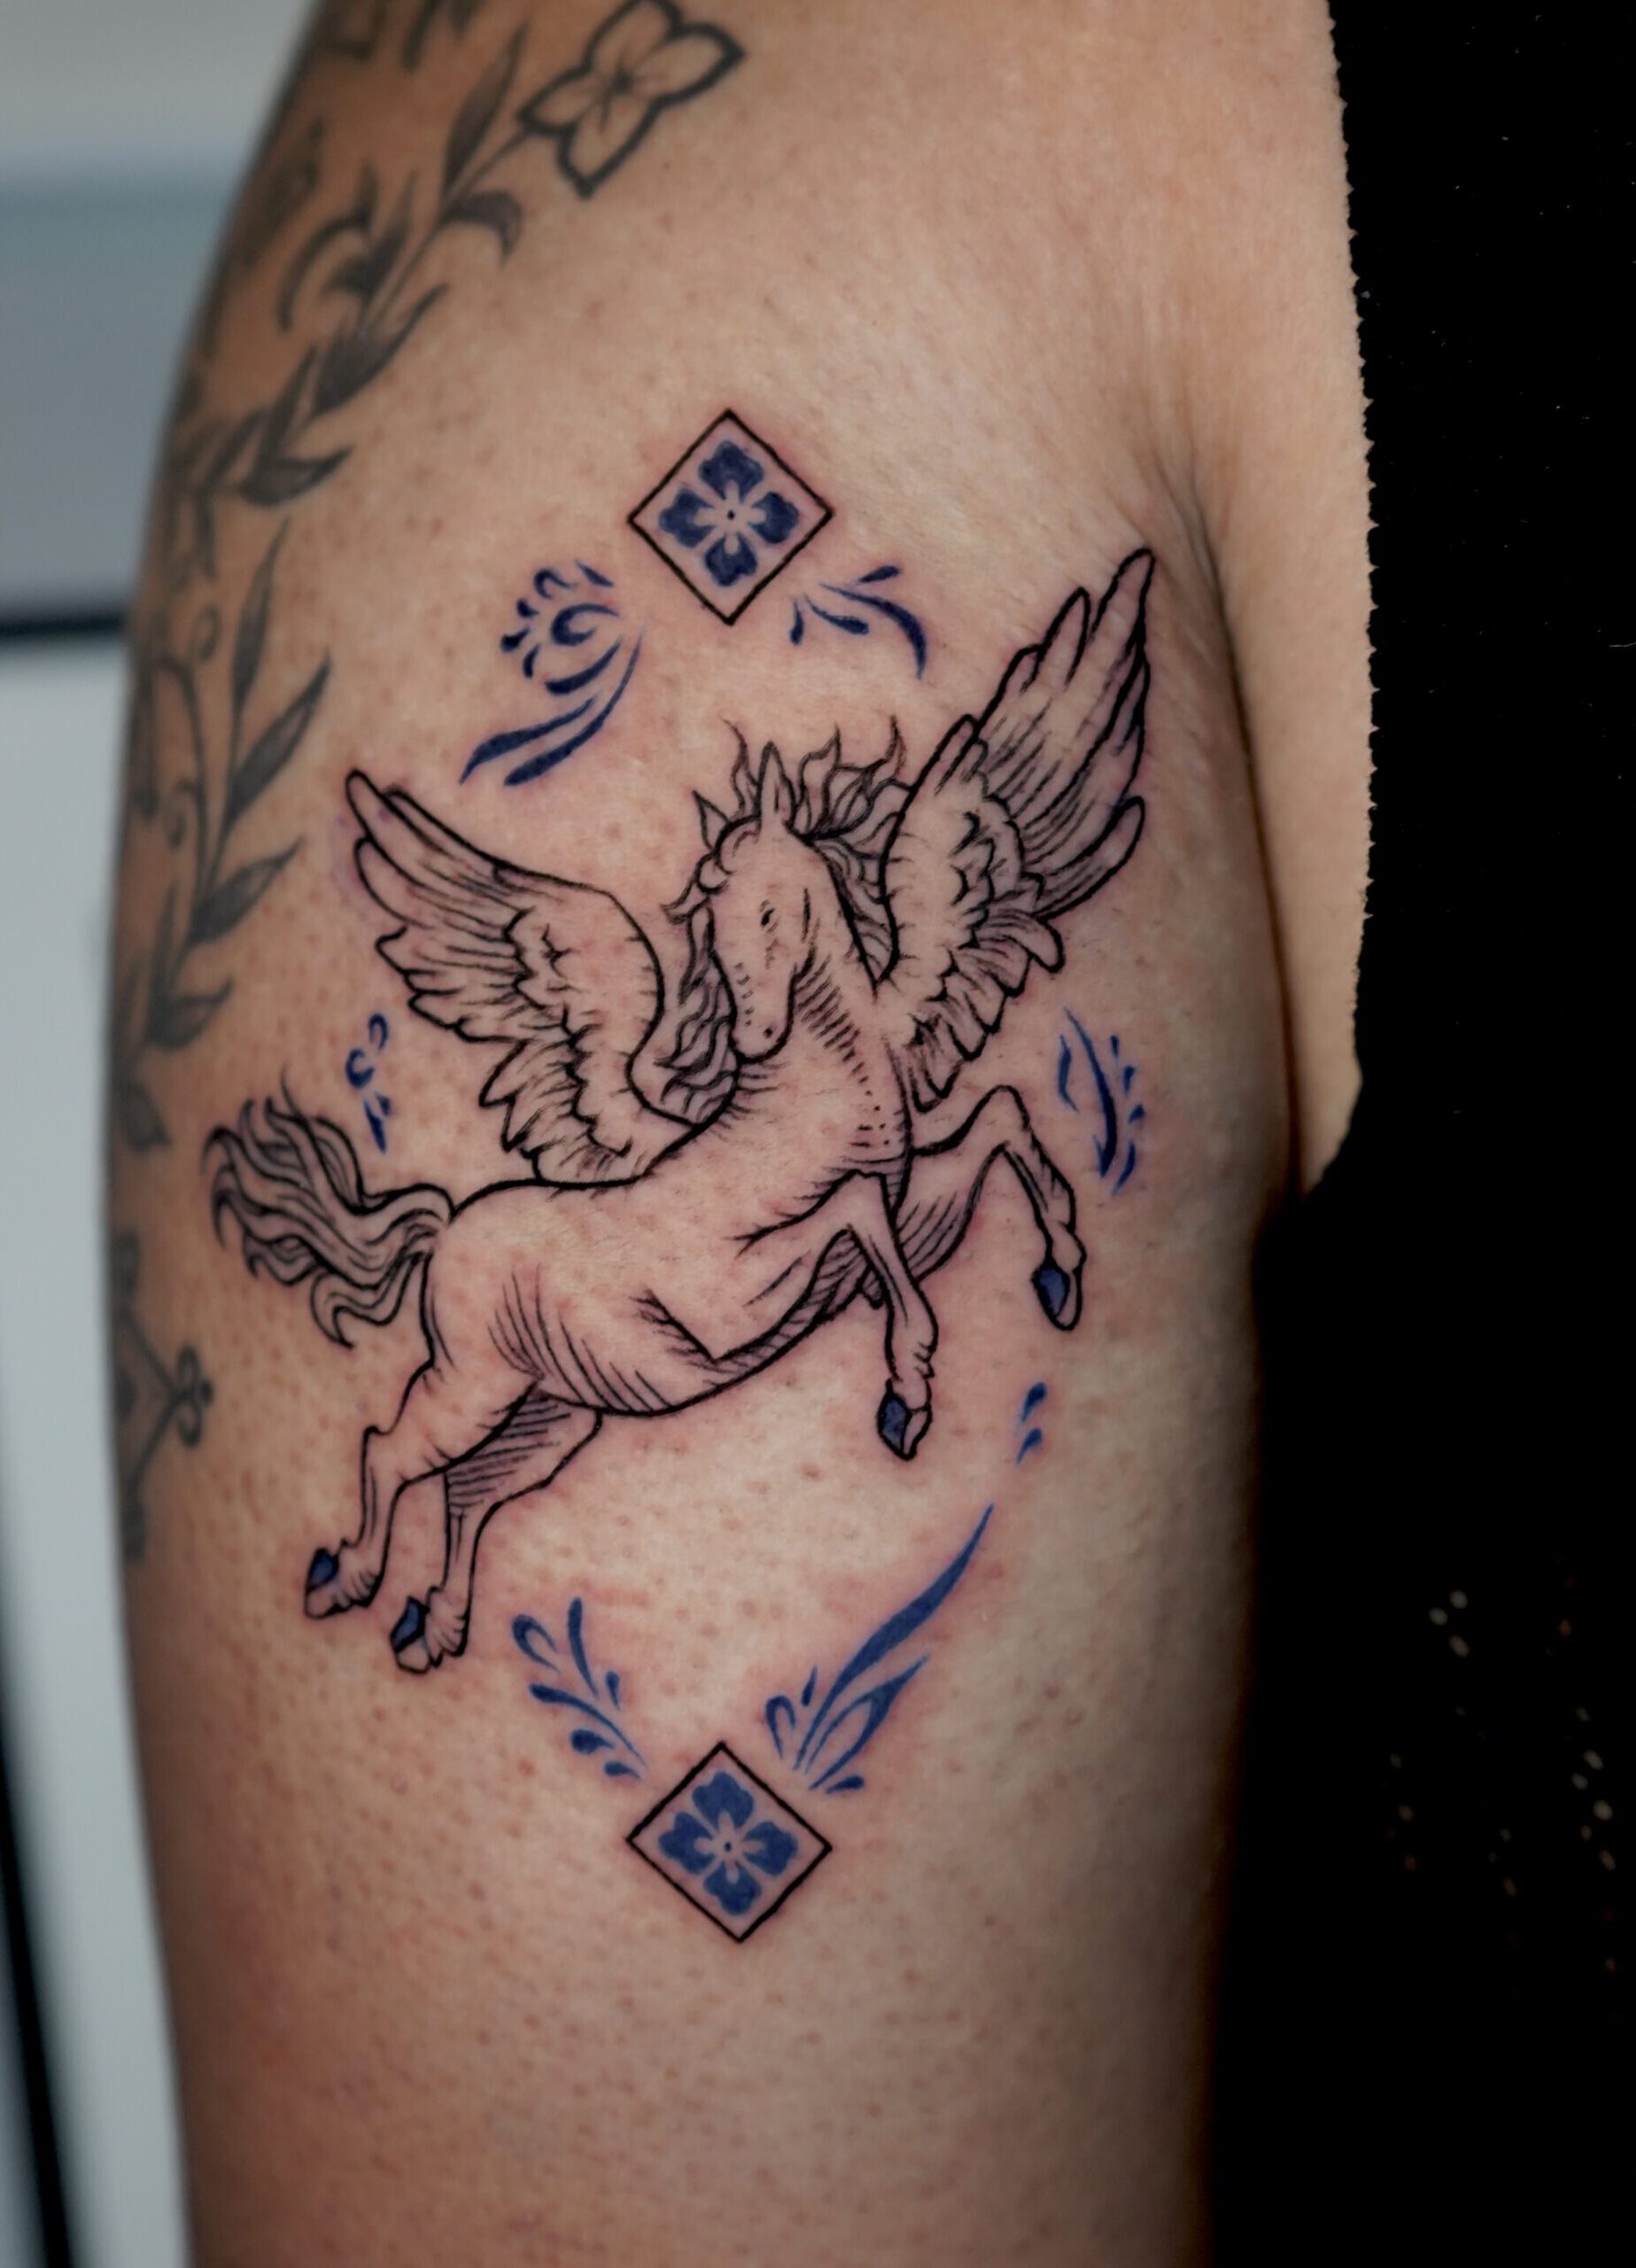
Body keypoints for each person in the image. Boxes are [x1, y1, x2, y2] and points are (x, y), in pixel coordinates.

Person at [109, 3, 1369, 2258]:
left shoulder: (863, 1029)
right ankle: (402, 1535)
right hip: (621, 1279)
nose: (779, 930)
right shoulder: (731, 142)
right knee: (463, 1436)